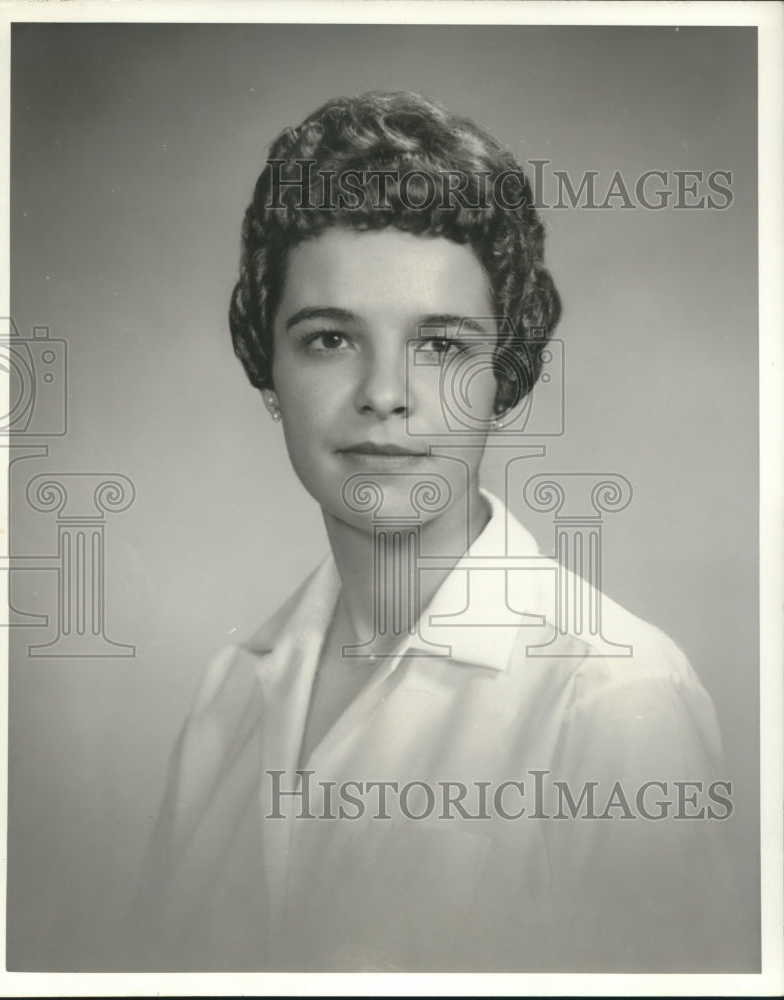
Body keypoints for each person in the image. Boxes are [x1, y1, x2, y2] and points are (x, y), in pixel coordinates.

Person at [132, 92, 734, 972]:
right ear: (267, 371)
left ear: (508, 373)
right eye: (330, 338)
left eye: (442, 346)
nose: (385, 393)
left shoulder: (615, 698)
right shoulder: (230, 693)